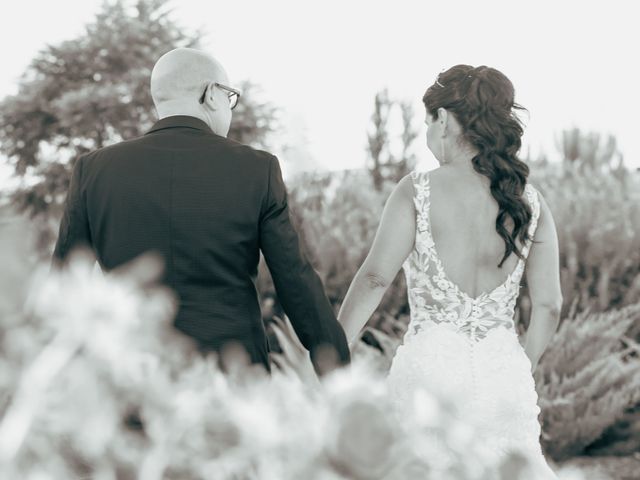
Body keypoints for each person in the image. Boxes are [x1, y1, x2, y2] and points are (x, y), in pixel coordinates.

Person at [51, 47, 350, 375]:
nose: (230, 110)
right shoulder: (257, 169)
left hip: (133, 375)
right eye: (230, 97)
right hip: (234, 373)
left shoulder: (94, 170)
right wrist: (338, 375)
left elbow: (64, 287)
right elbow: (295, 280)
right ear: (211, 94)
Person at [338, 65, 561, 477]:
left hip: (430, 373)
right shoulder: (529, 200)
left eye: (427, 122)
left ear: (443, 119)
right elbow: (549, 305)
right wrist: (517, 365)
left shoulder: (417, 190)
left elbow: (374, 278)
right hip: (502, 373)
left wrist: (334, 352)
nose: (427, 134)